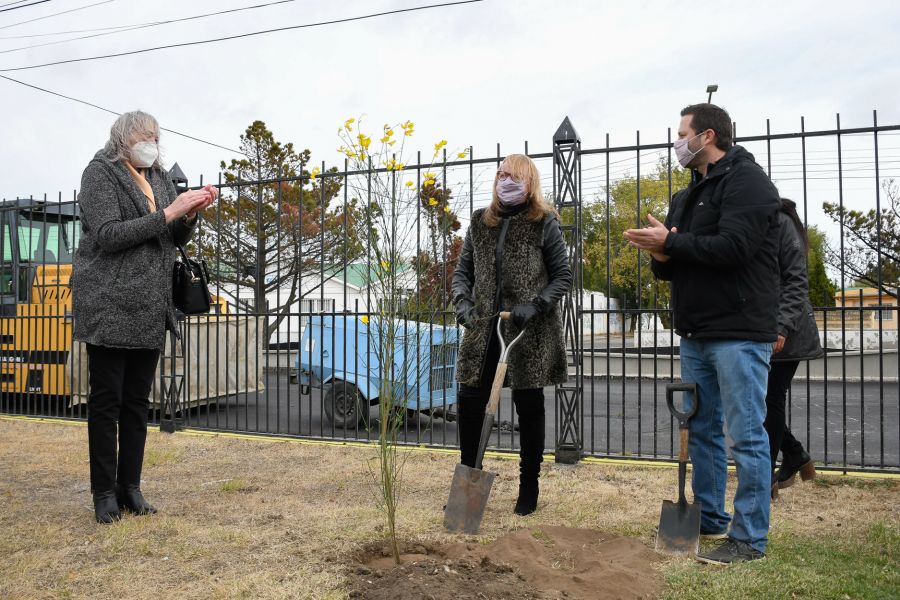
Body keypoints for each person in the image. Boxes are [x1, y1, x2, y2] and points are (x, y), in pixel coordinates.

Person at [624, 103, 781, 564]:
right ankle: (710, 515)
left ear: (707, 135)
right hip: (695, 332)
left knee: (746, 434)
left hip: (738, 331)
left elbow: (734, 247)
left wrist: (671, 243)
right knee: (704, 430)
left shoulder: (748, 182)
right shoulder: (688, 195)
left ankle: (750, 537)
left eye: (681, 134)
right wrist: (662, 252)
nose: (677, 142)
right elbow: (670, 268)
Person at [72, 111, 217, 523]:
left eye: (156, 135)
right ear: (123, 137)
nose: (152, 141)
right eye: (144, 135)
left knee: (137, 403)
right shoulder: (100, 174)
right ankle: (104, 494)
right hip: (110, 302)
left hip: (151, 305)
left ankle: (130, 489)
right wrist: (170, 213)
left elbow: (170, 238)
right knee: (106, 403)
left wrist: (189, 213)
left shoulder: (158, 175)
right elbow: (108, 235)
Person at [451, 153, 571, 516]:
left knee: (529, 406)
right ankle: (470, 480)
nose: (505, 180)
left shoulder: (544, 222)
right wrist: (463, 305)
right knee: (470, 402)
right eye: (501, 174)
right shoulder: (479, 222)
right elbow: (462, 273)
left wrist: (535, 305)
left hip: (527, 330)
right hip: (484, 328)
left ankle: (528, 485)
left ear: (528, 182)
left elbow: (562, 276)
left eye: (513, 176)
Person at [766, 199, 822, 497]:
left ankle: (766, 478)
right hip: (773, 327)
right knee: (761, 400)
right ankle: (795, 453)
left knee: (769, 399)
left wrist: (781, 325)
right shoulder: (767, 223)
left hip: (787, 331)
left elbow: (795, 281)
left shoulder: (780, 223)